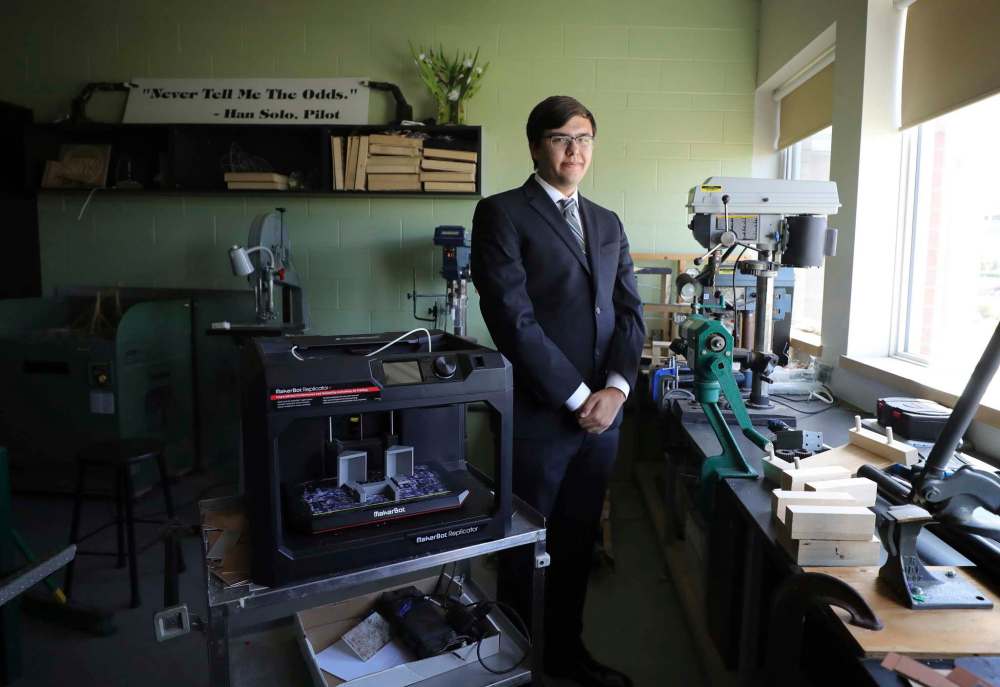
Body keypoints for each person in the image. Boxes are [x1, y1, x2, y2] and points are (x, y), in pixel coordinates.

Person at [471, 95, 644, 687]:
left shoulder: (607, 222)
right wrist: (578, 398)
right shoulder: (502, 214)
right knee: (526, 548)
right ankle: (520, 663)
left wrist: (617, 390)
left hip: (602, 422)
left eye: (585, 138)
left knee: (575, 547)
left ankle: (567, 655)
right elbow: (514, 322)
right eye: (561, 138)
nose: (575, 149)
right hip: (544, 418)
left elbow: (629, 314)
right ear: (535, 146)